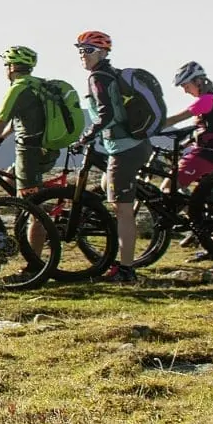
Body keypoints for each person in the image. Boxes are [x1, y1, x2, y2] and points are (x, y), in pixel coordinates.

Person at [73, 29, 151, 283]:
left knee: (122, 211)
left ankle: (126, 270)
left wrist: (85, 136)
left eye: (89, 50)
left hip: (124, 148)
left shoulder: (98, 77)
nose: (83, 55)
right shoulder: (111, 74)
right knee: (111, 188)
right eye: (80, 50)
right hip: (132, 144)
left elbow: (106, 114)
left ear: (104, 52)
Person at [0, 45, 56, 197]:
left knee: (29, 201)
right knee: (10, 179)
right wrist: (2, 138)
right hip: (49, 149)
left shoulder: (17, 89)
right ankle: (26, 217)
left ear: (11, 67)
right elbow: (22, 119)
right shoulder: (39, 85)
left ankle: (37, 219)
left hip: (30, 152)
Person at [169, 61, 213, 189]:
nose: (185, 91)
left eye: (186, 86)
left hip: (204, 155)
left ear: (198, 81)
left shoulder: (206, 100)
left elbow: (175, 119)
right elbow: (211, 130)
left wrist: (147, 127)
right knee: (207, 200)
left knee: (169, 188)